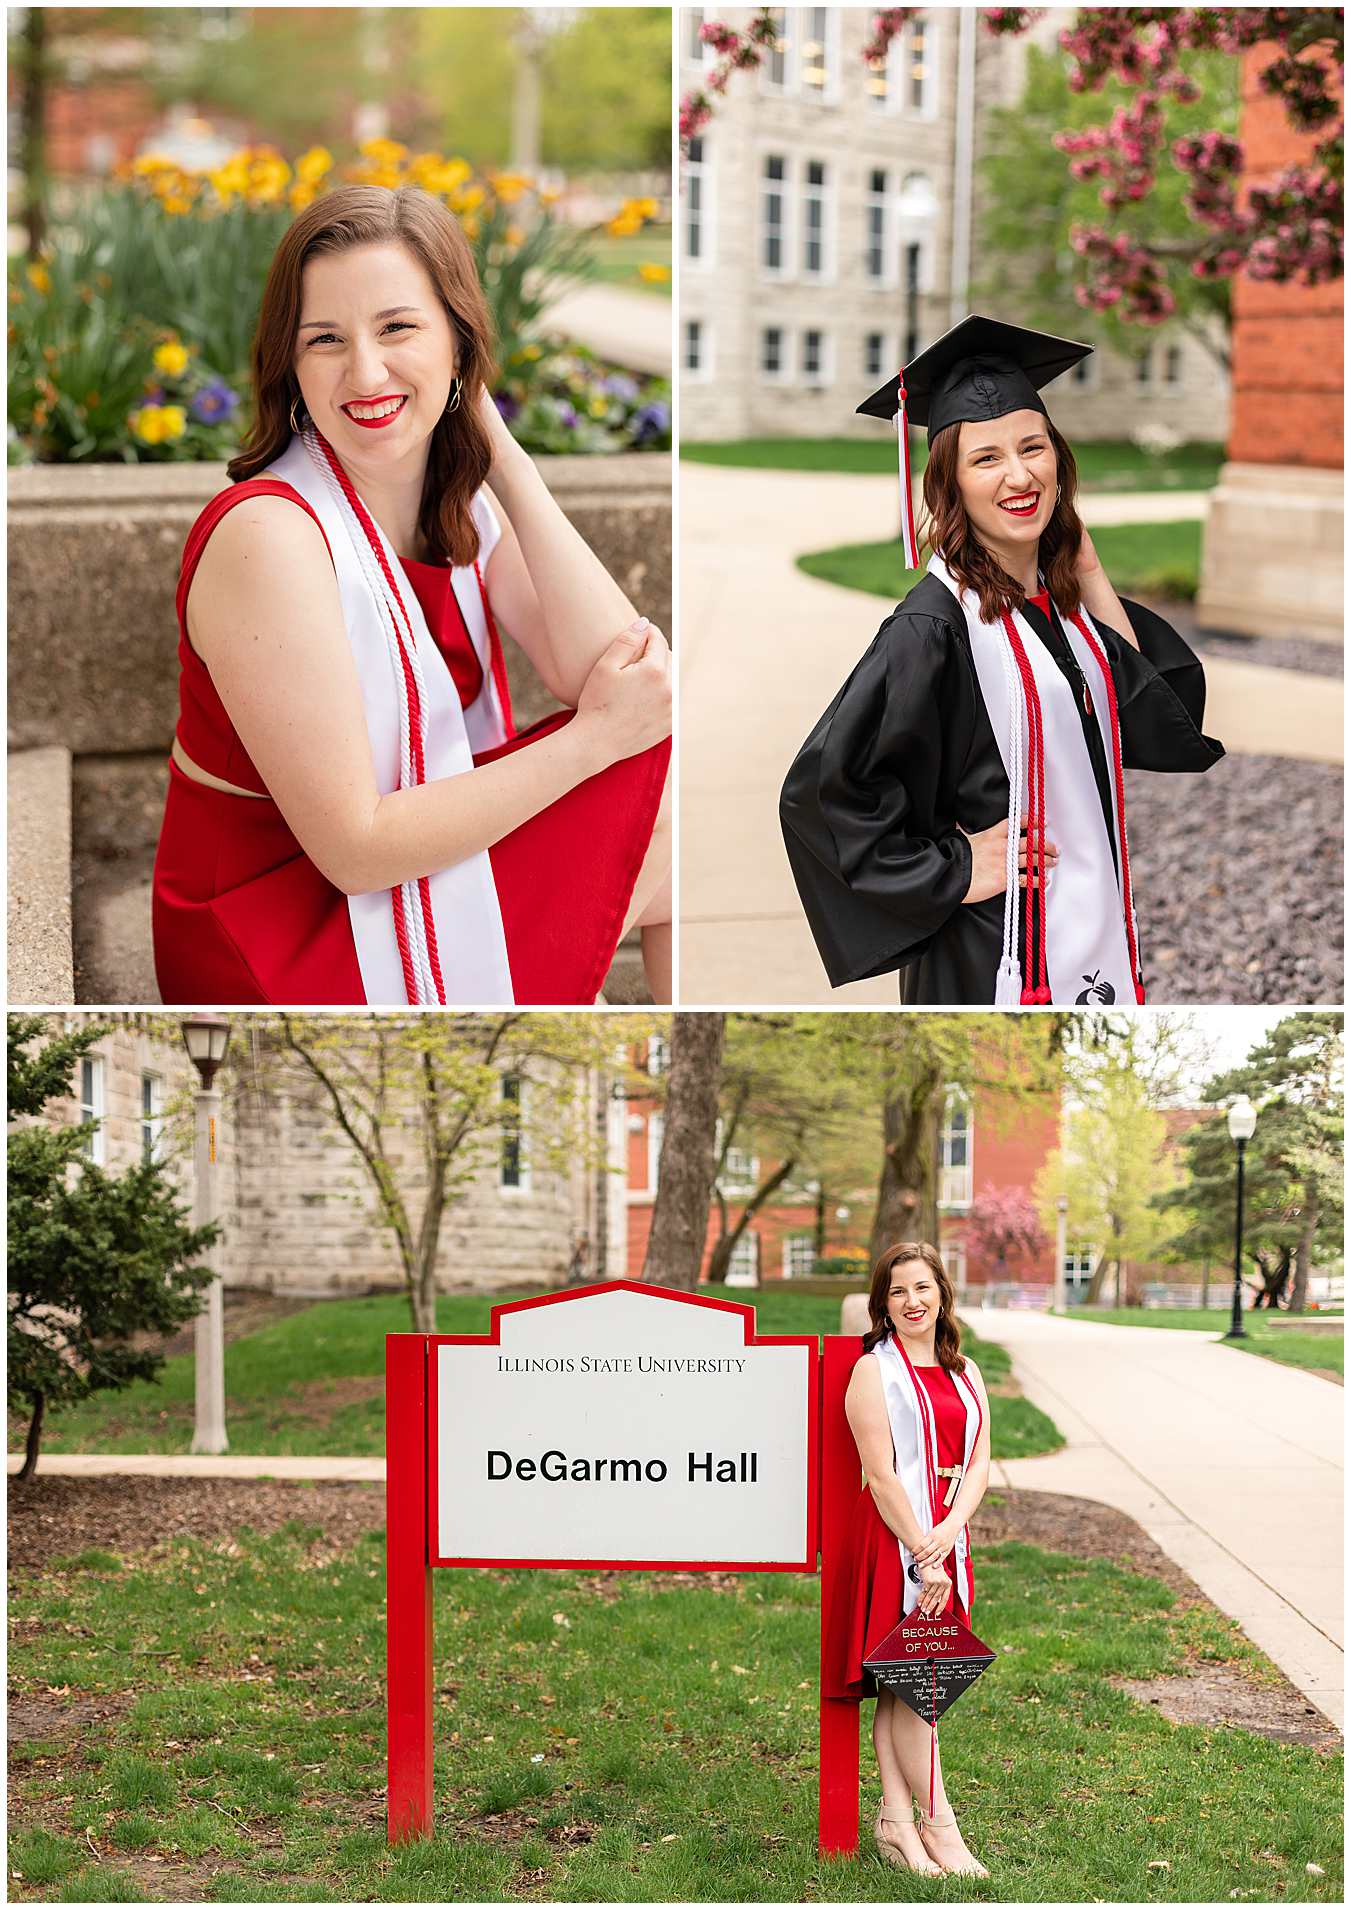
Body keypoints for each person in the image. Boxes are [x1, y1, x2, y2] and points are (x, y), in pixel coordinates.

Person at [153, 185, 671, 1007]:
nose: (365, 372)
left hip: (376, 877)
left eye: (398, 328)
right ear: (289, 364)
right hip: (278, 922)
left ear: (459, 344)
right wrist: (592, 742)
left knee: (661, 772)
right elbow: (353, 847)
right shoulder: (272, 537)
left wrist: (509, 460)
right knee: (658, 797)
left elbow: (622, 673)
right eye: (325, 339)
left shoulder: (457, 499)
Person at [781, 315, 1223, 1005]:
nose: (1018, 475)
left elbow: (1150, 721)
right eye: (985, 458)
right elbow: (819, 795)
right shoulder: (932, 629)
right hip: (992, 949)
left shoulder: (1062, 609)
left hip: (1086, 919)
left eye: (1032, 447)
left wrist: (1093, 574)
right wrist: (957, 870)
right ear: (948, 485)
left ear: (1058, 459)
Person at [823, 1241, 992, 1877]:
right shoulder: (875, 1371)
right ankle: (941, 1825)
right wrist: (925, 1553)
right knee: (917, 1690)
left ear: (942, 1294)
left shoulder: (966, 1370)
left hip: (947, 1540)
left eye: (922, 1288)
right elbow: (881, 1473)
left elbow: (977, 1464)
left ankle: (895, 1822)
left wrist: (950, 1530)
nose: (912, 1301)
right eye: (897, 1292)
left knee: (907, 1691)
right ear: (883, 1305)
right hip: (896, 1542)